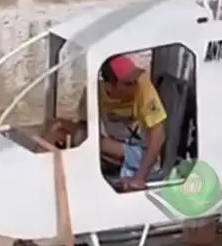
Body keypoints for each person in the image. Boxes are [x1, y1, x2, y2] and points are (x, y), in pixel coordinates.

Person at [48, 55, 166, 191]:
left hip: (143, 151)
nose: (135, 86)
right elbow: (83, 125)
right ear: (109, 87)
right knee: (58, 127)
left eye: (135, 81)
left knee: (97, 143)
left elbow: (159, 135)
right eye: (128, 84)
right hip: (116, 144)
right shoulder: (94, 91)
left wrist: (140, 177)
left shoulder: (143, 86)